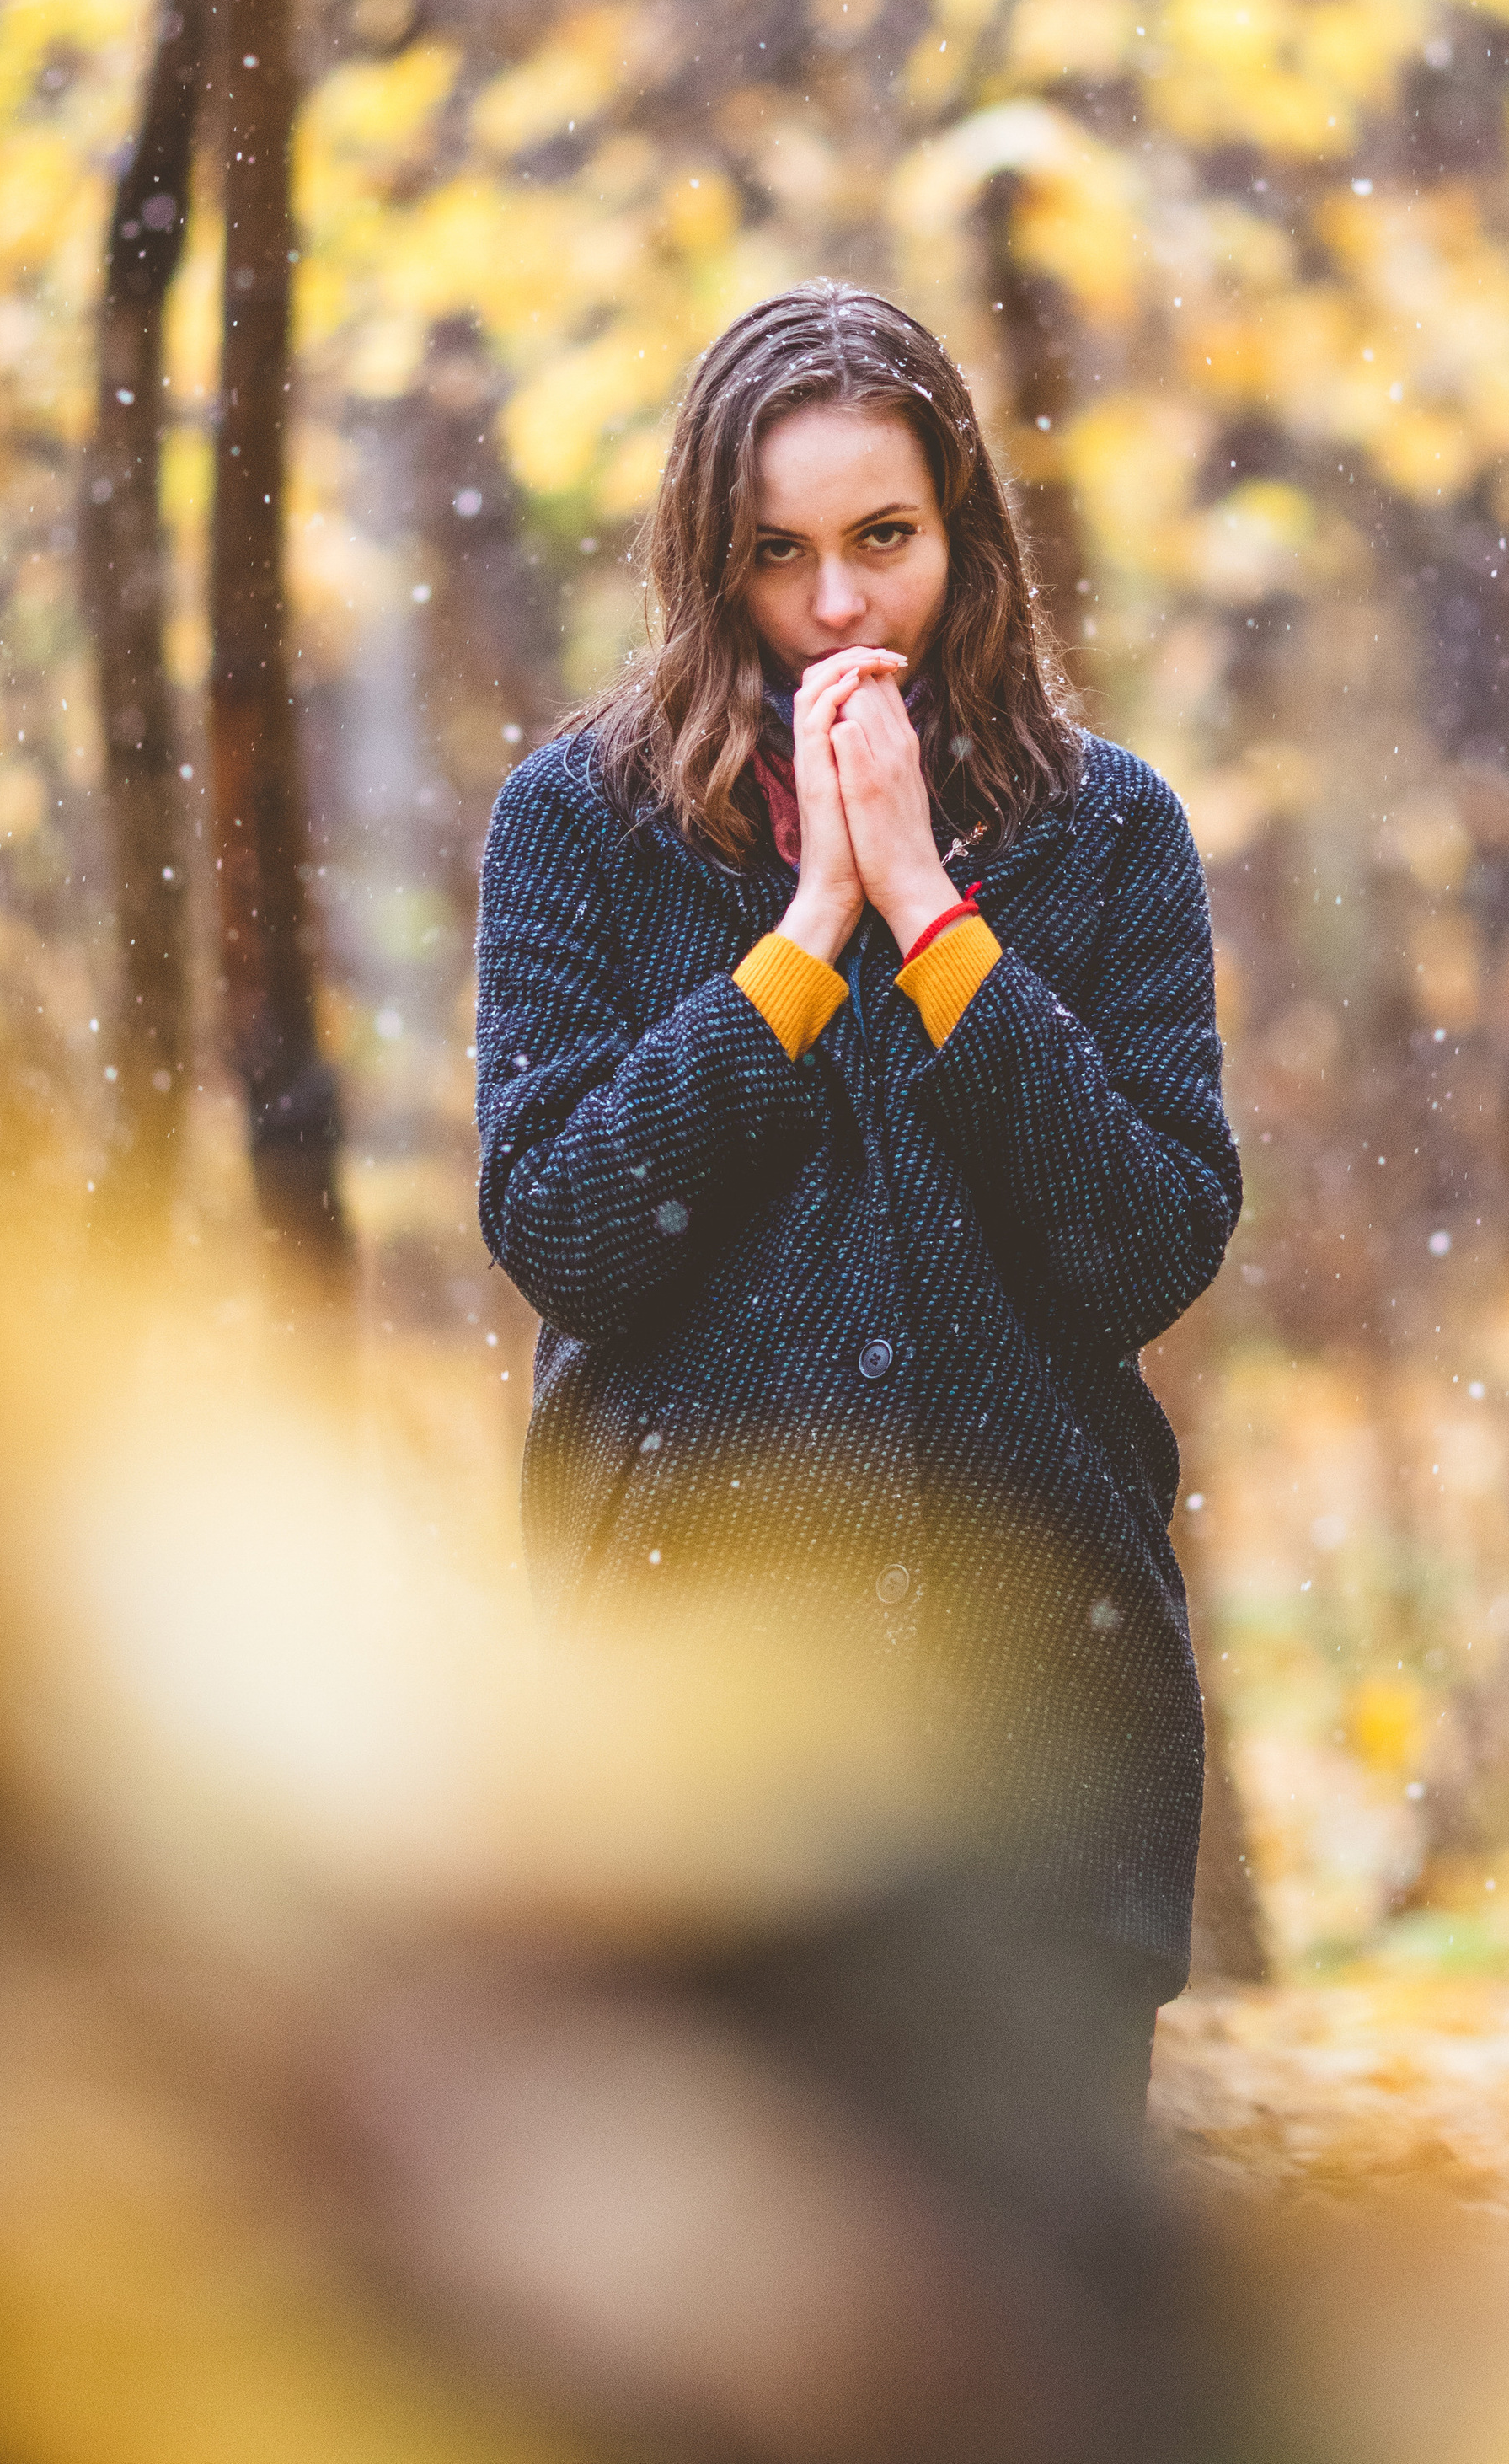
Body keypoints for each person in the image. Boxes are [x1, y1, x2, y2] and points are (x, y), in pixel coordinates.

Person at [474, 281, 1241, 2111]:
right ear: (704, 559)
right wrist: (809, 929)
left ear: (963, 535)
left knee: (1037, 2367)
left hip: (1040, 1719)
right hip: (686, 1752)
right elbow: (567, 1229)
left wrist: (930, 910)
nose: (834, 607)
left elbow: (1143, 1242)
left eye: (882, 540)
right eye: (778, 553)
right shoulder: (575, 828)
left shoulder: (1107, 832)